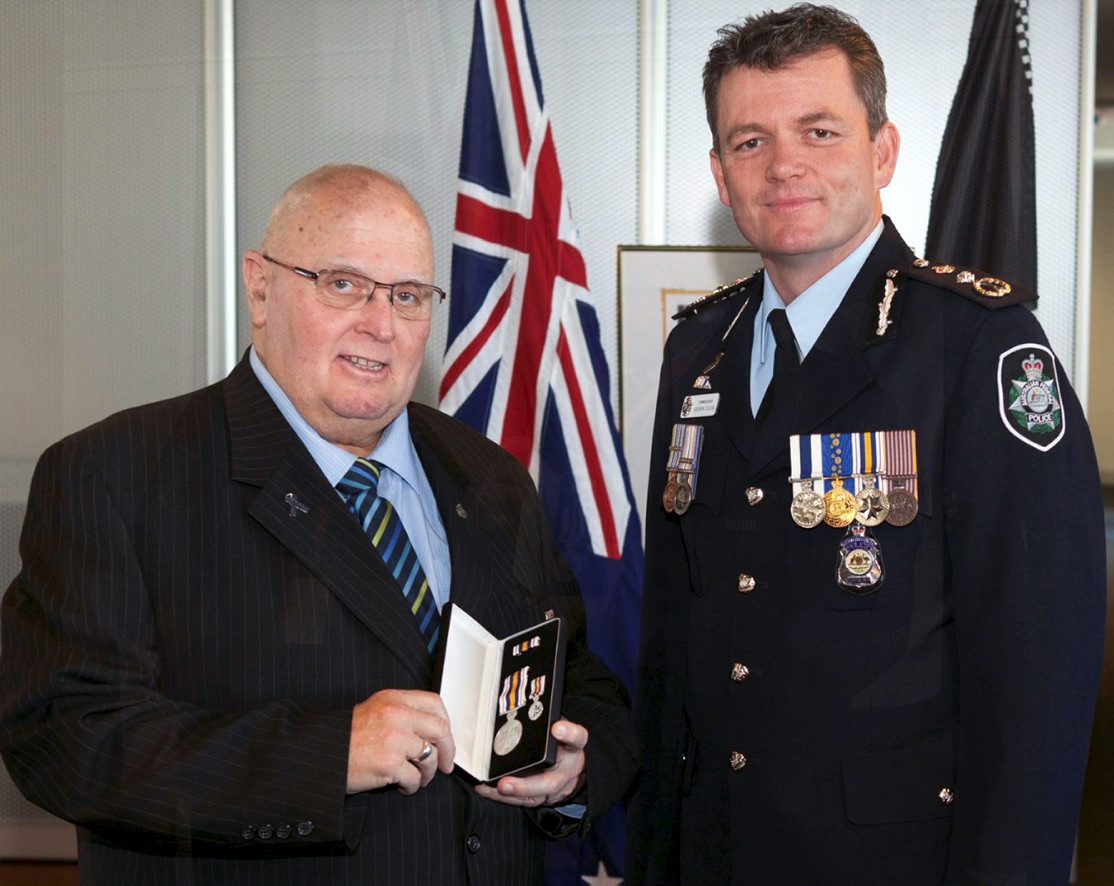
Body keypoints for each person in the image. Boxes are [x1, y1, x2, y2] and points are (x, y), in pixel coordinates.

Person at [0, 164, 638, 885]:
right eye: (342, 284)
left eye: (407, 295)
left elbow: (578, 674)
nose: (380, 325)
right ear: (259, 287)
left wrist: (575, 766)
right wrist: (330, 755)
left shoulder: (489, 476)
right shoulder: (118, 477)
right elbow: (64, 738)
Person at [627, 5, 1105, 885]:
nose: (784, 166)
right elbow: (670, 645)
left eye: (819, 131)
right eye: (750, 141)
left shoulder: (976, 345)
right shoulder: (696, 350)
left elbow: (1040, 675)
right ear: (721, 176)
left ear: (882, 152)